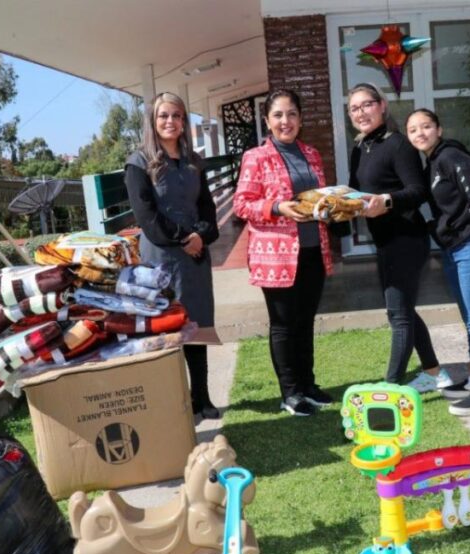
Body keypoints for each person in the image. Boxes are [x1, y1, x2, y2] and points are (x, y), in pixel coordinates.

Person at [233, 89, 335, 417]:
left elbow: (319, 198)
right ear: (267, 121)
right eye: (278, 115)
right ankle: (289, 393)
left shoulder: (312, 154)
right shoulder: (255, 157)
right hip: (276, 256)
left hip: (312, 250)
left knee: (305, 322)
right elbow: (241, 204)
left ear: (301, 118)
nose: (285, 121)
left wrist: (333, 207)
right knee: (283, 325)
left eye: (291, 114)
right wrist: (278, 207)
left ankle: (308, 385)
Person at [347, 83, 452, 392]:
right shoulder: (360, 148)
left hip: (406, 238)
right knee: (403, 309)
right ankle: (434, 373)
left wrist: (387, 201)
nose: (361, 112)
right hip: (385, 240)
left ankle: (390, 388)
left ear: (382, 106)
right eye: (354, 108)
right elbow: (358, 193)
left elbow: (418, 190)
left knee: (399, 315)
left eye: (367, 105)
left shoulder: (398, 144)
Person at [405, 109, 470, 415]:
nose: (420, 133)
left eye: (426, 126)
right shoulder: (432, 164)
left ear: (438, 128)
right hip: (454, 249)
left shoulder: (452, 157)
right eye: (413, 130)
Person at [125, 93, 219, 420]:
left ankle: (202, 399)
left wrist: (200, 236)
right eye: (163, 115)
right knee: (166, 331)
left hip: (194, 259)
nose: (170, 122)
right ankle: (173, 403)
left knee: (198, 328)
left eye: (177, 115)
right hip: (160, 261)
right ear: (153, 121)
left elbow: (207, 207)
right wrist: (184, 238)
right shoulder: (139, 163)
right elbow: (147, 216)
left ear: (184, 122)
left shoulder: (193, 161)